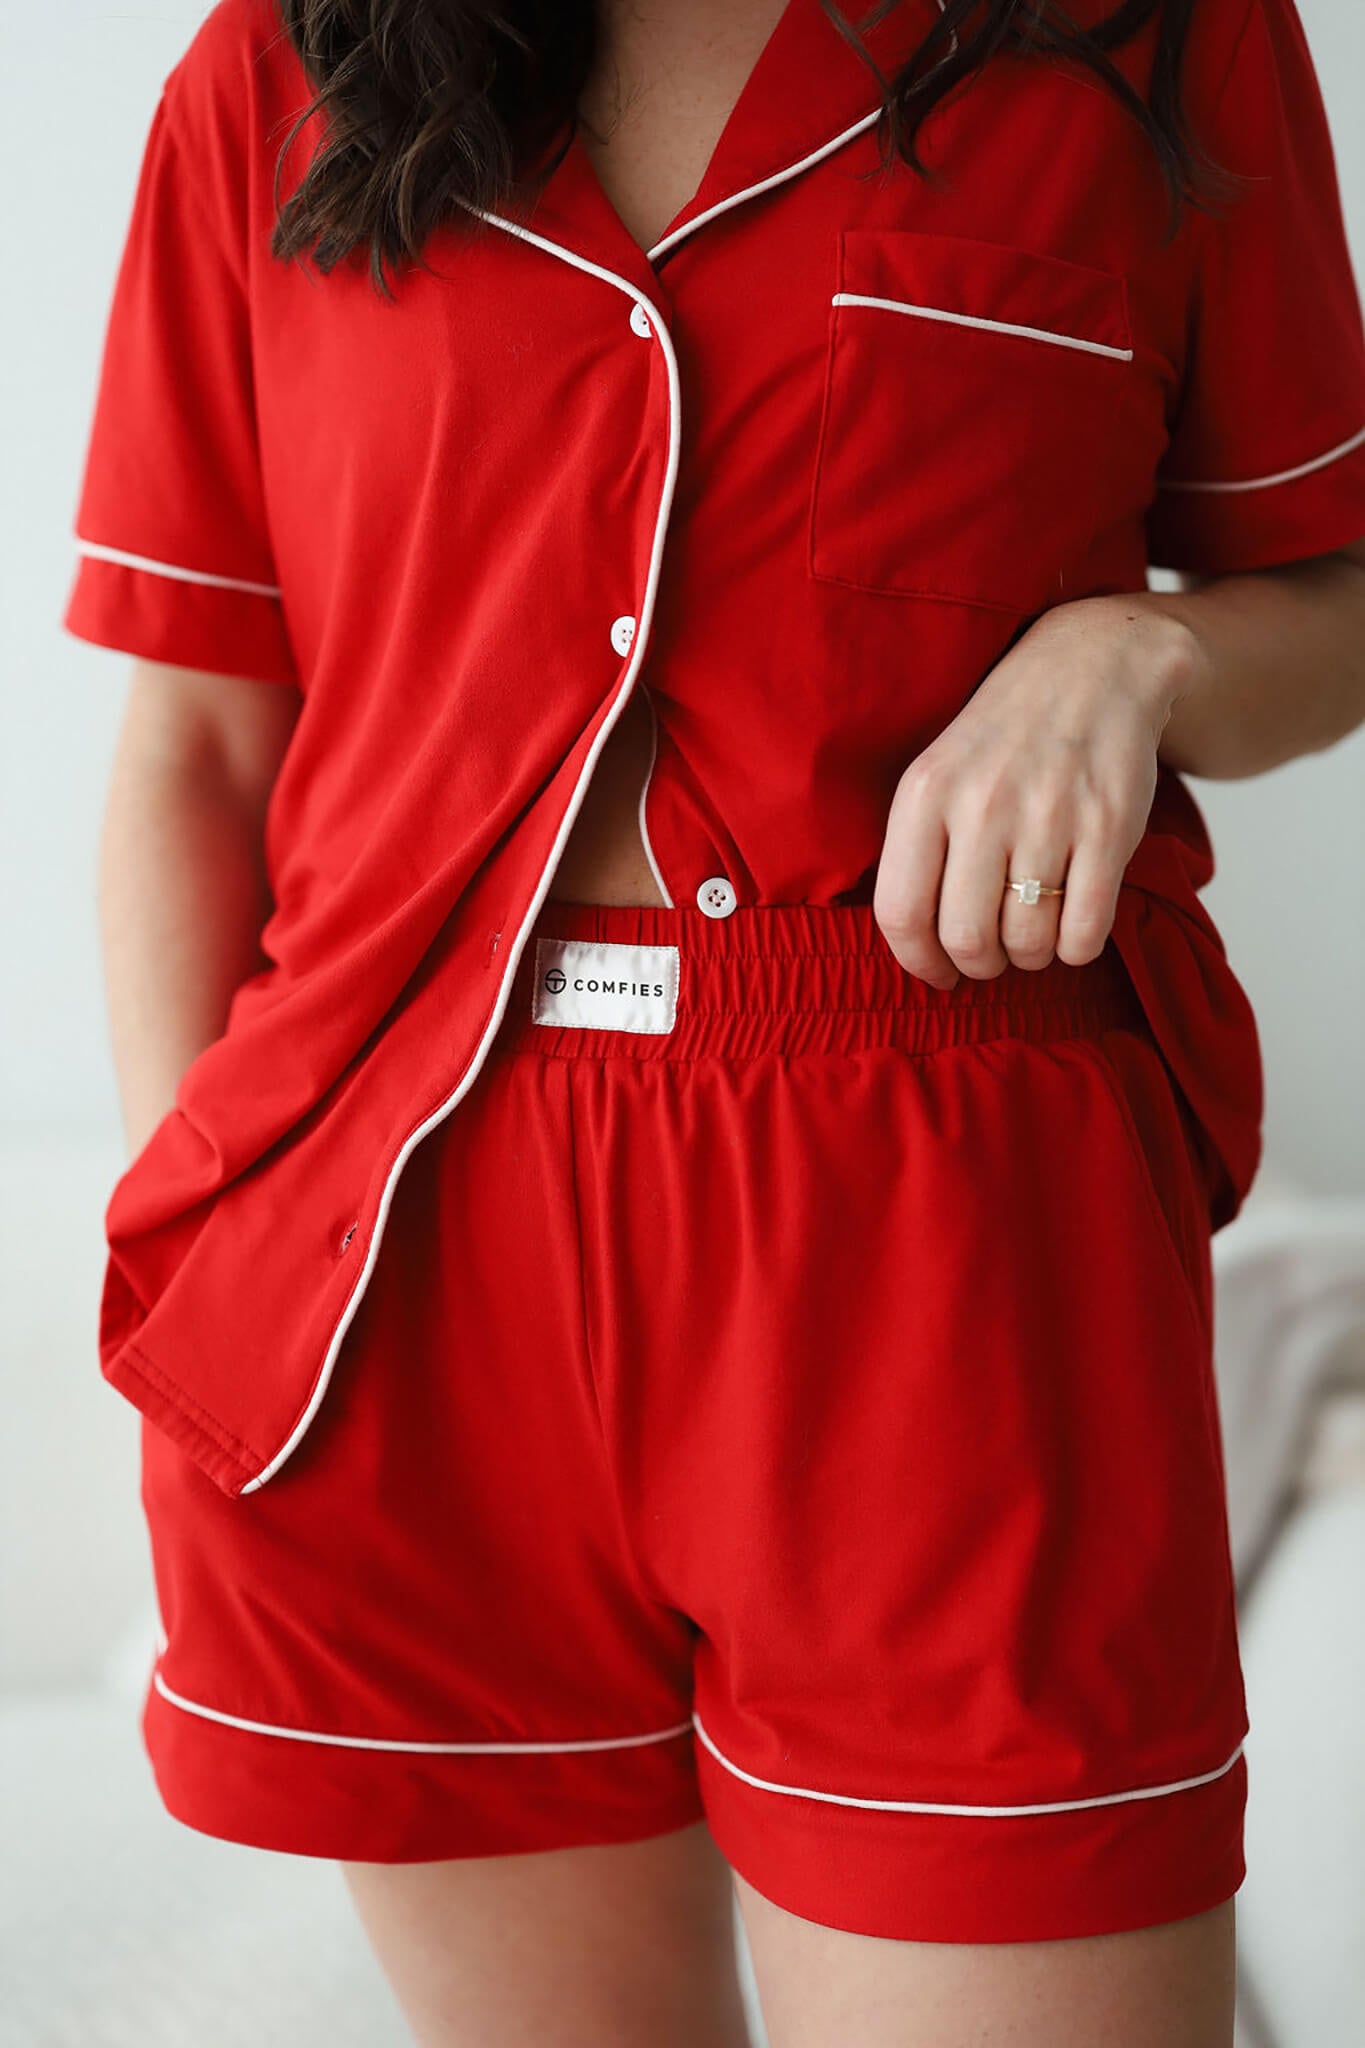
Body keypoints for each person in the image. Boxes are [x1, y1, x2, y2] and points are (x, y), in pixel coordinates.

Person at [62, 0, 1365, 2041]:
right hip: (400, 1245)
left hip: (942, 1236)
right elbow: (200, 740)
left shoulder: (1154, 36)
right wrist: (197, 1231)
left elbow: (1328, 593)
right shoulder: (283, 64)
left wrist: (1137, 656)